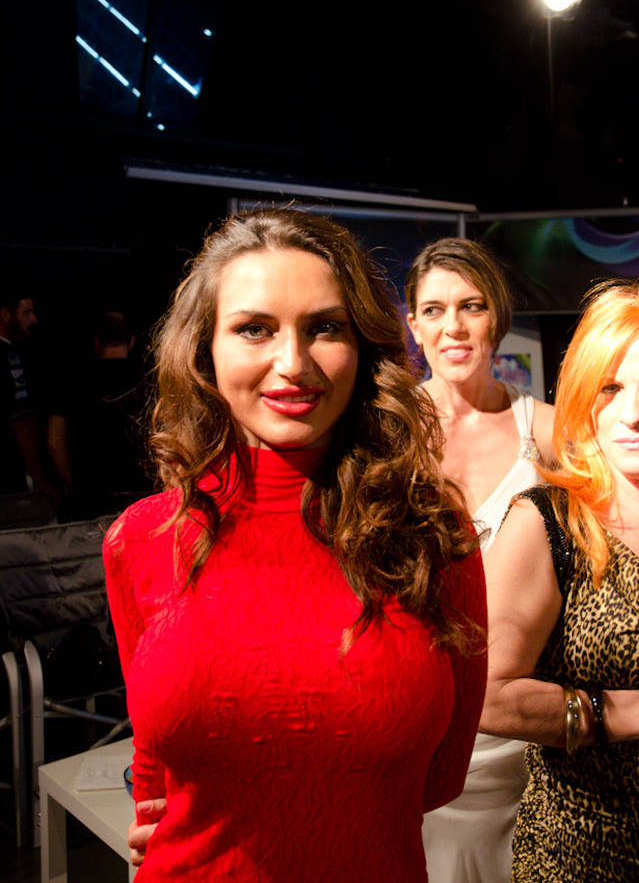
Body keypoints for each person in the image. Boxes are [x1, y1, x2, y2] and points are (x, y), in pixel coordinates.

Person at [104, 207, 487, 882]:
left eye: (324, 328)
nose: (293, 364)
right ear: (204, 349)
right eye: (254, 328)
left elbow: (441, 776)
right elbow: (154, 764)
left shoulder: (433, 535)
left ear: (363, 346)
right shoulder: (142, 538)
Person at [481, 280, 639, 882]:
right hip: (587, 859)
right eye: (610, 388)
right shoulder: (548, 522)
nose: (632, 413)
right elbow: (486, 694)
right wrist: (634, 712)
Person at [404, 237, 555, 883]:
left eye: (472, 306)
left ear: (498, 314)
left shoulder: (549, 432)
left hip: (517, 740)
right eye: (434, 310)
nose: (454, 327)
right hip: (410, 726)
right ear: (413, 325)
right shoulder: (384, 433)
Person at [48, 309, 150, 518]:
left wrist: (73, 484)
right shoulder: (148, 383)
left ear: (96, 341)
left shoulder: (72, 382)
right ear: (131, 341)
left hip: (91, 497)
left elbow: (54, 441)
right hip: (142, 495)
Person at [0, 289, 57, 499]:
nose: (33, 320)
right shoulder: (8, 356)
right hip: (10, 477)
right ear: (6, 314)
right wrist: (40, 479)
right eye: (26, 312)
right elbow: (21, 421)